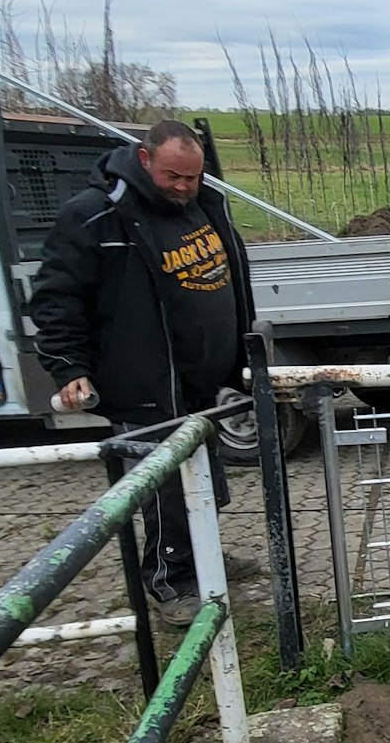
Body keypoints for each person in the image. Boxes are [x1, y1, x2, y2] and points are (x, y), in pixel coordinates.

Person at [28, 119, 259, 621]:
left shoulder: (203, 204)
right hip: (144, 379)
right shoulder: (95, 216)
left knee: (205, 477)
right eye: (173, 176)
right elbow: (56, 299)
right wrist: (68, 366)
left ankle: (202, 558)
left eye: (192, 177)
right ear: (144, 159)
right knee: (165, 486)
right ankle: (169, 582)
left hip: (199, 377)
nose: (183, 187)